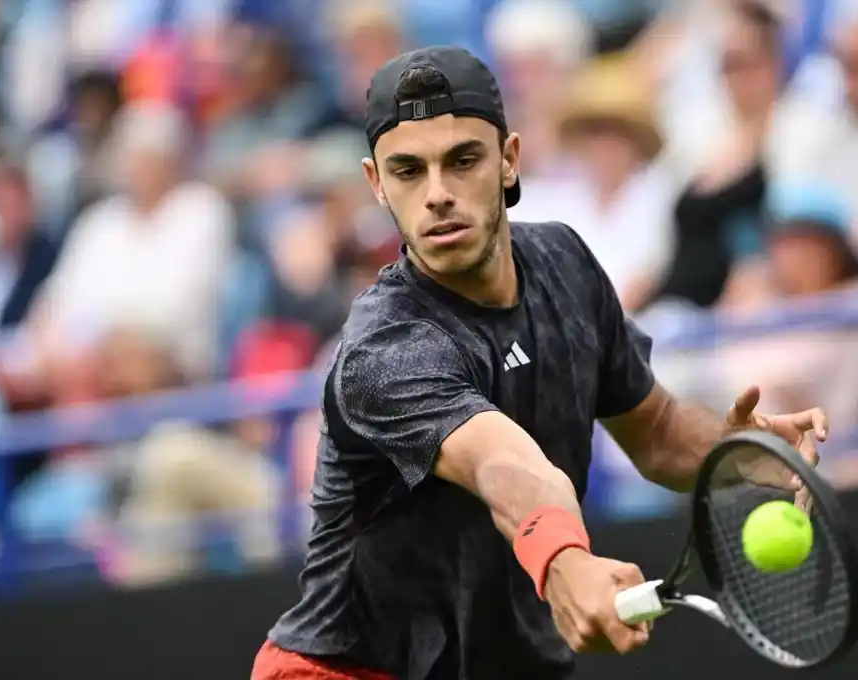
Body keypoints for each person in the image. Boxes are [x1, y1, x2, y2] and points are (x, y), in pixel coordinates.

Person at [250, 46, 828, 680]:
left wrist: (733, 448)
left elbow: (657, 432)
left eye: (463, 160)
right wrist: (567, 564)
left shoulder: (566, 264)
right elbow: (508, 467)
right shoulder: (384, 348)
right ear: (376, 183)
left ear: (508, 159)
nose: (437, 194)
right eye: (408, 171)